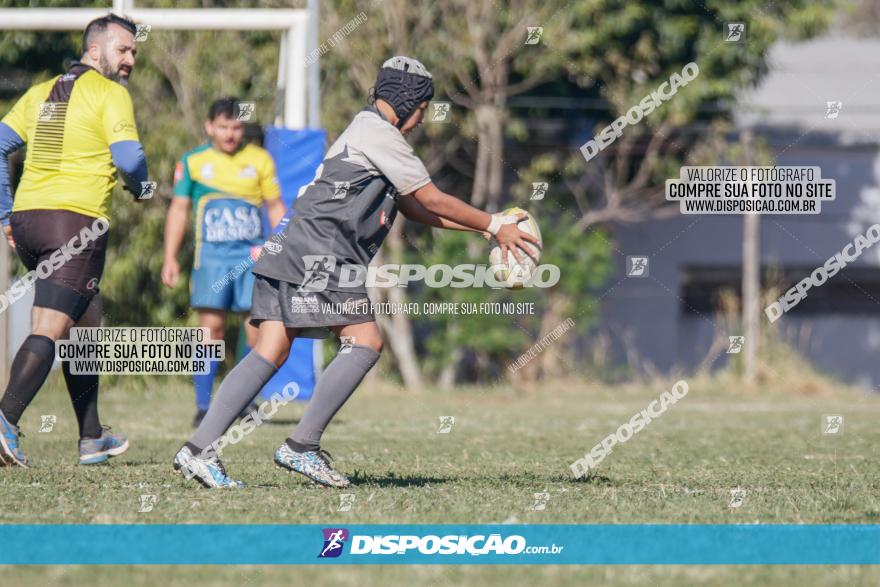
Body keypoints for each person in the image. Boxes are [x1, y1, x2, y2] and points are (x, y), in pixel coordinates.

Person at [173, 56, 537, 488]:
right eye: (422, 108)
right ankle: (301, 446)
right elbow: (434, 198)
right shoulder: (380, 134)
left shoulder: (367, 131)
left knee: (270, 350)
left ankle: (198, 449)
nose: (422, 119)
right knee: (364, 340)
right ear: (407, 102)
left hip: (291, 246)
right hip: (320, 253)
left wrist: (486, 226)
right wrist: (496, 225)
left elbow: (415, 207)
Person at [0, 14, 149, 467]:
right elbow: (129, 156)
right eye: (123, 50)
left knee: (87, 315)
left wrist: (6, 212)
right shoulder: (110, 94)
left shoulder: (40, 91)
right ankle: (5, 420)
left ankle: (90, 436)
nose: (130, 60)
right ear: (95, 49)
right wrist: (142, 186)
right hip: (75, 225)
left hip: (30, 223)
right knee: (50, 327)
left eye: (134, 53)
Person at [161, 98, 285, 427]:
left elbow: (275, 207)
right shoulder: (193, 162)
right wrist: (170, 257)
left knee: (256, 330)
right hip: (212, 261)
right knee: (210, 331)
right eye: (223, 127)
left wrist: (283, 245)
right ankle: (204, 406)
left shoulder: (259, 160)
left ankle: (244, 402)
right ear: (209, 126)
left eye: (236, 127)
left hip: (251, 260)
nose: (230, 134)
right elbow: (178, 209)